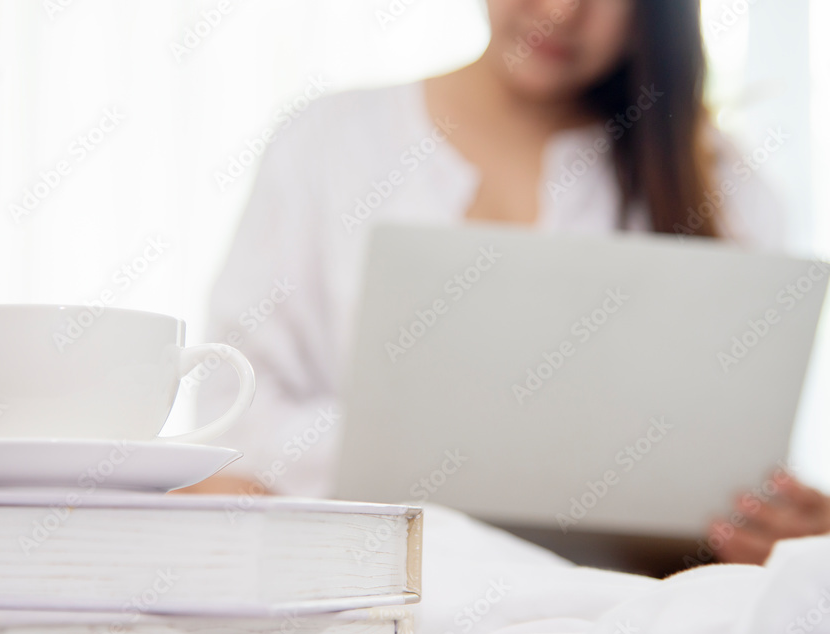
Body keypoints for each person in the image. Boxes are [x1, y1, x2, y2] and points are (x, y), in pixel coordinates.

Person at [186, 0, 826, 567]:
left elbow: (727, 464)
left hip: (616, 611)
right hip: (363, 586)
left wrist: (785, 531)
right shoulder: (327, 143)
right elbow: (232, 417)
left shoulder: (725, 185)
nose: (561, 12)